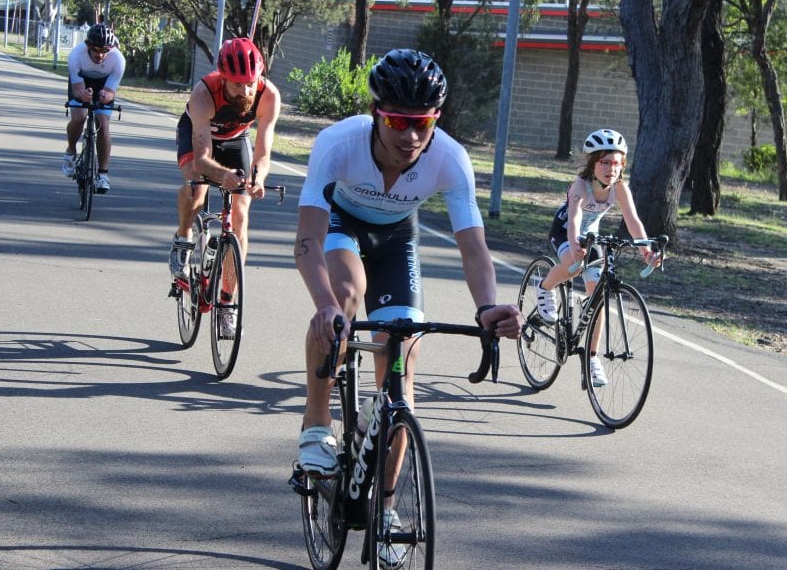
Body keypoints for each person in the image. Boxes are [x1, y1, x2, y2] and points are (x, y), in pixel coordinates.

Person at [293, 48, 523, 482]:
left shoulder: (450, 158)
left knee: (402, 363)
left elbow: (474, 248)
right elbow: (308, 240)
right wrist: (323, 305)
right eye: (399, 121)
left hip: (397, 237)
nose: (412, 136)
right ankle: (317, 423)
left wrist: (487, 307)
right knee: (343, 300)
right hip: (343, 222)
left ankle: (388, 510)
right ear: (375, 113)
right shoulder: (338, 144)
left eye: (424, 122)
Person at [168, 37, 281, 338]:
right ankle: (184, 237)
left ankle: (227, 302)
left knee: (241, 216)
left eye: (250, 83)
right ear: (222, 77)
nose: (244, 90)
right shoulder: (204, 93)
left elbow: (263, 152)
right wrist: (224, 175)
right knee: (196, 185)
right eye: (235, 84)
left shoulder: (268, 95)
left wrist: (257, 178)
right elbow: (203, 160)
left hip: (235, 140)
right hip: (199, 137)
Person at [533, 129, 659, 387]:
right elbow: (575, 218)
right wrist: (575, 243)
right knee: (572, 266)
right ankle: (545, 287)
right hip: (566, 230)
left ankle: (591, 359)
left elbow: (632, 220)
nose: (610, 168)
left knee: (598, 296)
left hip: (592, 236)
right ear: (593, 163)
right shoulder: (581, 184)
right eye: (604, 162)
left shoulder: (621, 187)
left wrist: (644, 249)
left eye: (616, 163)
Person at [61, 24, 126, 194]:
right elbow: (77, 90)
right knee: (79, 117)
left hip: (103, 84)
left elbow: (111, 91)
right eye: (96, 50)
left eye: (105, 50)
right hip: (81, 83)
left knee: (103, 124)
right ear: (89, 46)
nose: (100, 55)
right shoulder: (76, 55)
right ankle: (71, 149)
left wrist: (106, 96)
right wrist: (83, 95)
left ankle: (103, 174)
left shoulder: (118, 60)